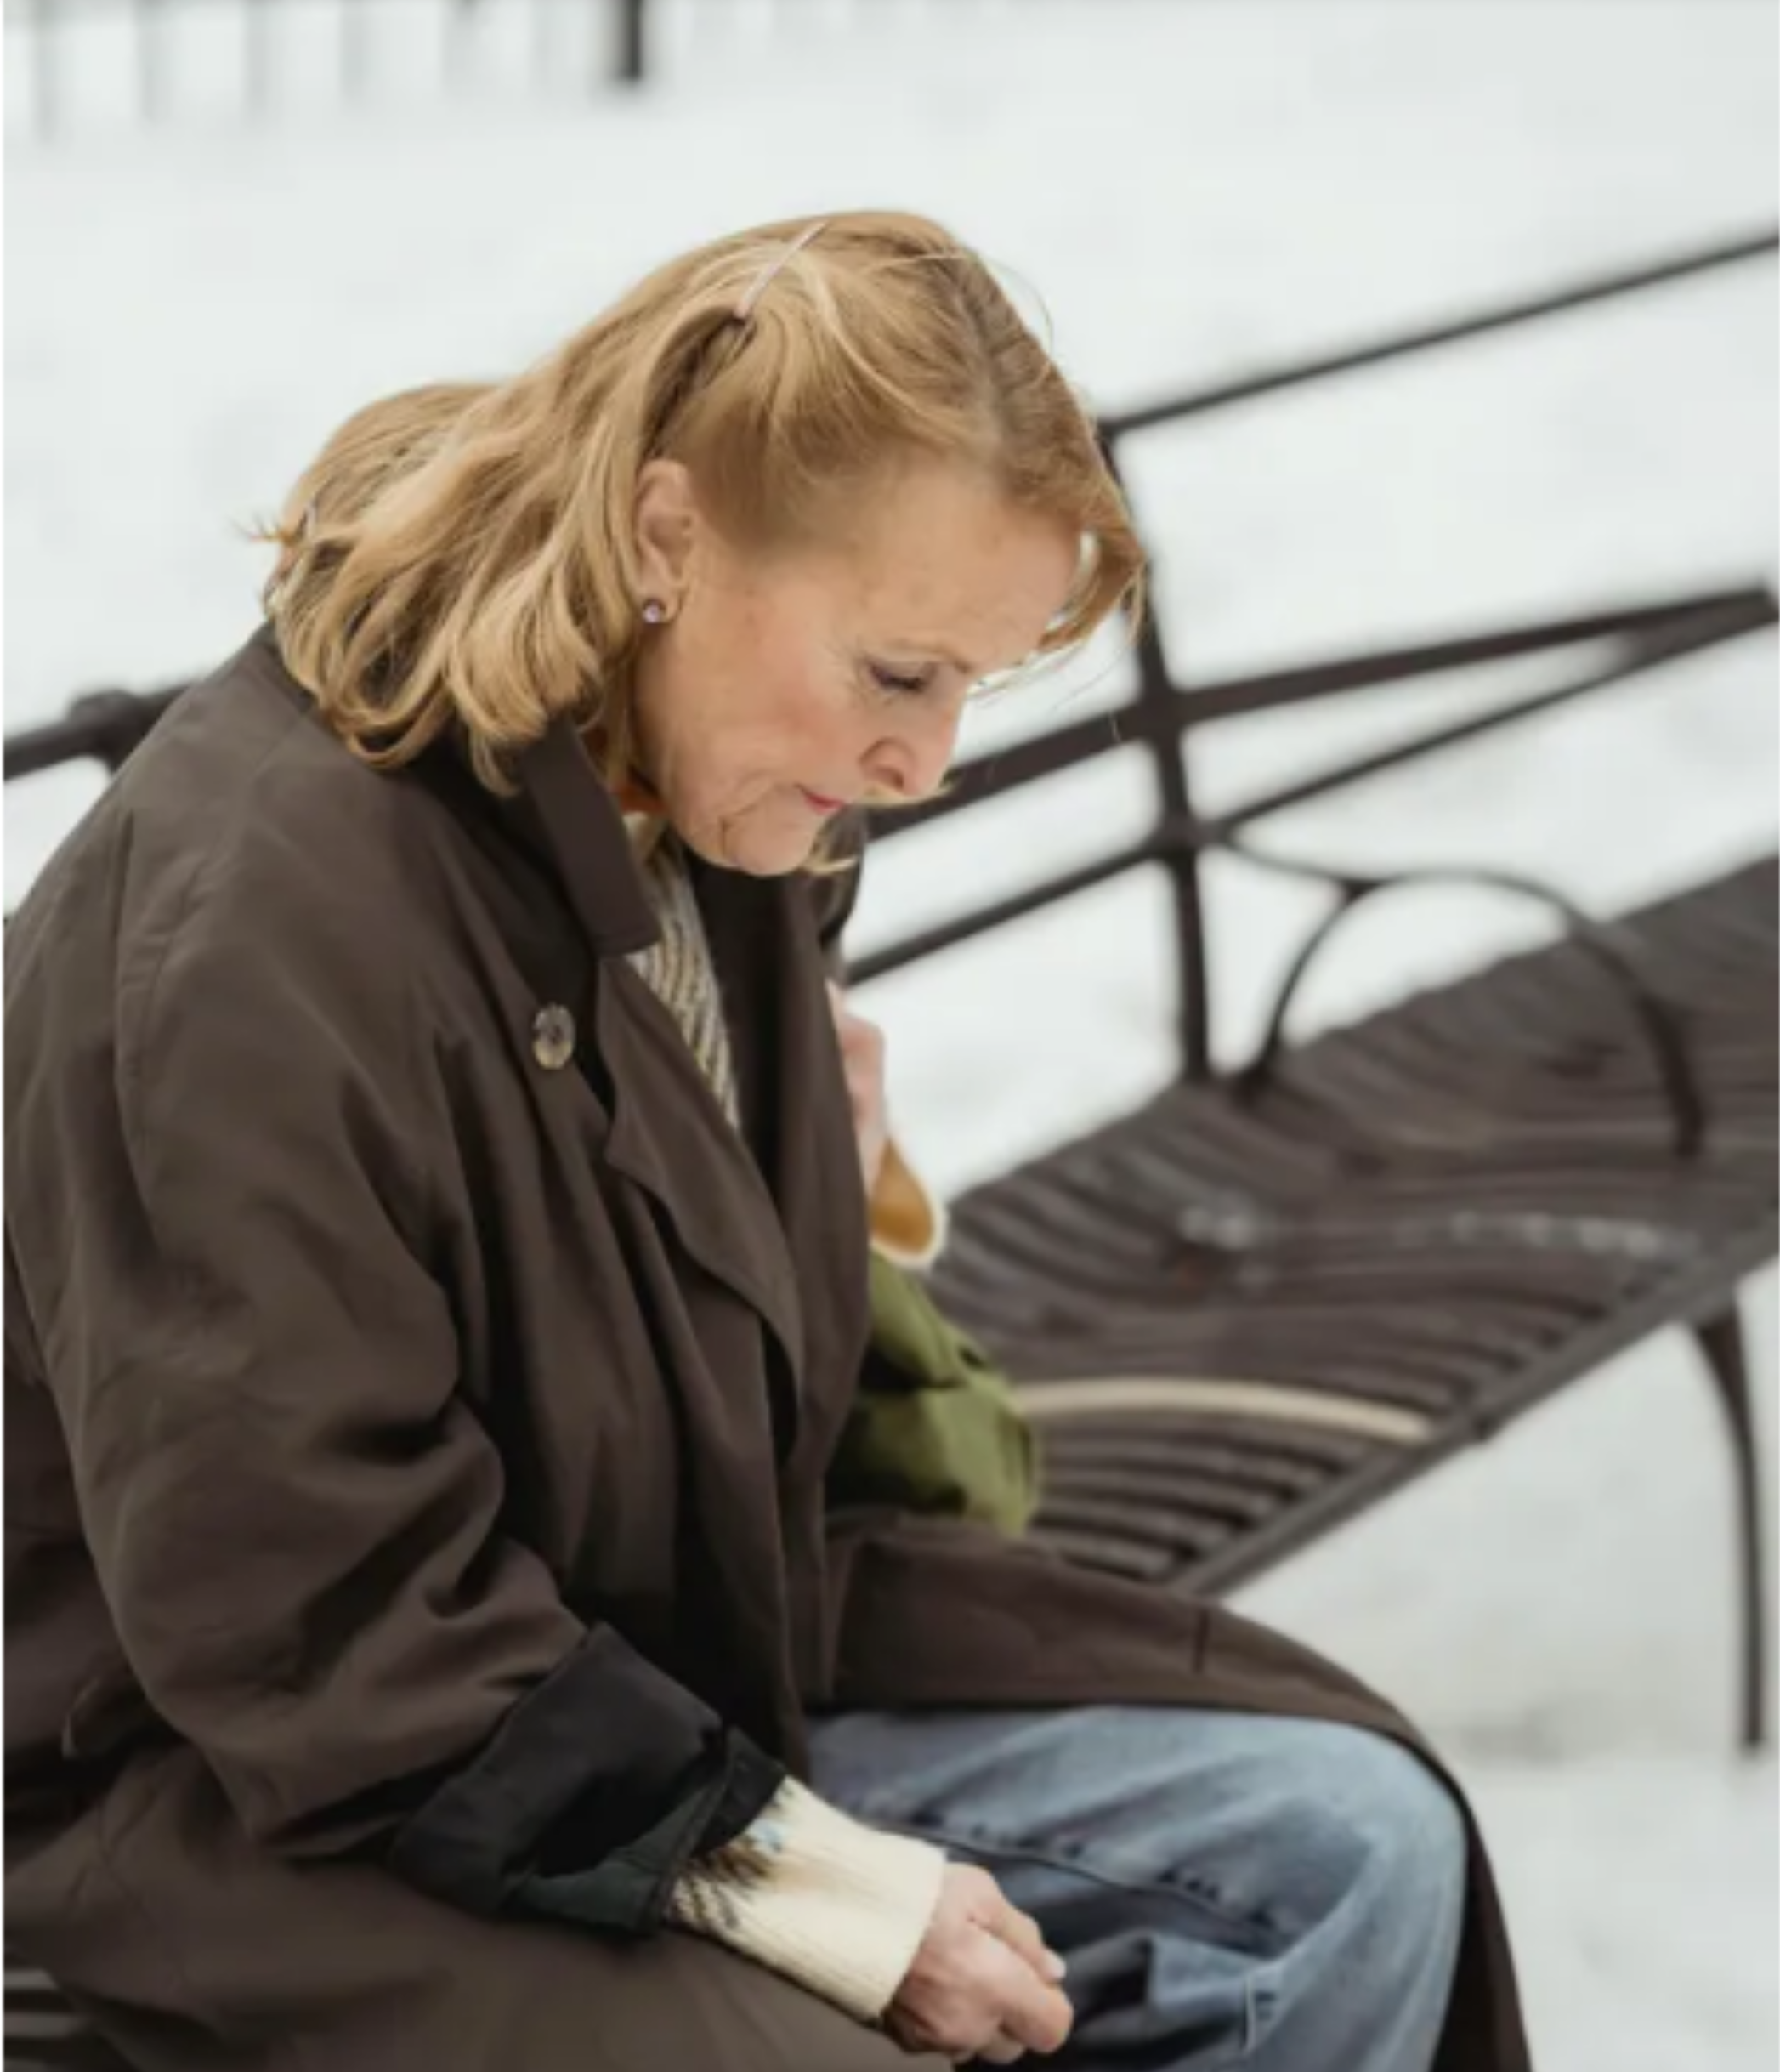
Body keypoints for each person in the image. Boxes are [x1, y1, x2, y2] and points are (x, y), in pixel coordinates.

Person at [4, 211, 1531, 2072]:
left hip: (665, 1660)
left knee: (1349, 1852)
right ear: (666, 538)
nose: (926, 764)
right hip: (261, 1813)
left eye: (969, 685)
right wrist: (815, 1889)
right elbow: (318, 1623)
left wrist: (821, 1188)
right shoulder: (250, 927)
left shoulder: (708, 796)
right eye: (897, 674)